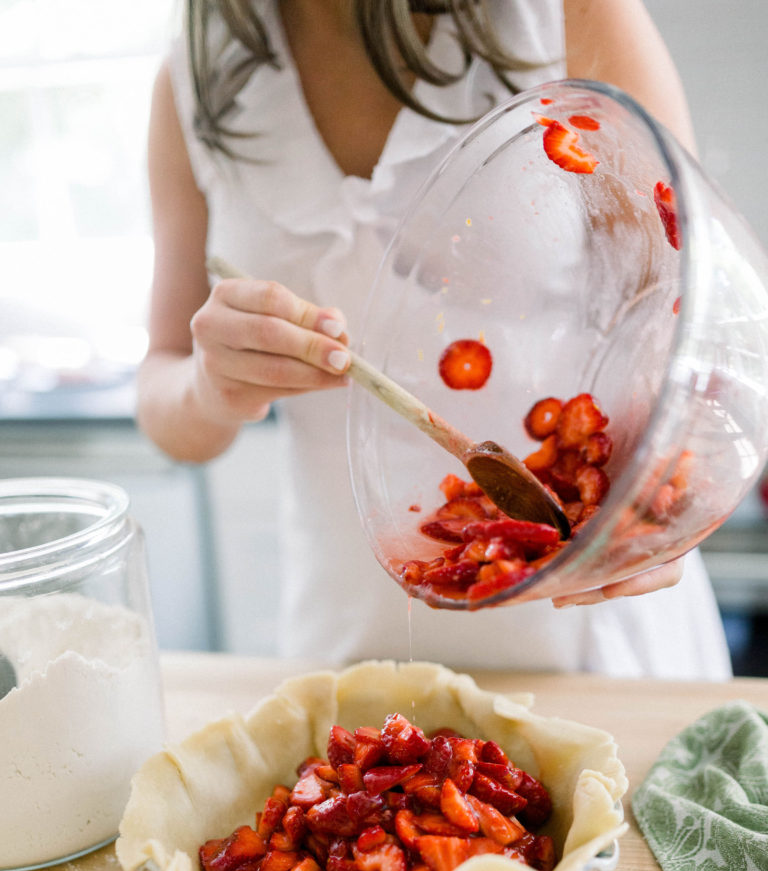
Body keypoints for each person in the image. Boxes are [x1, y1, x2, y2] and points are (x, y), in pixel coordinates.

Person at [136, 0, 732, 679]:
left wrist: (670, 493)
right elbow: (164, 399)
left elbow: (692, 321)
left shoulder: (567, 12)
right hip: (349, 641)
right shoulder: (194, 77)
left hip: (595, 629)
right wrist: (212, 388)